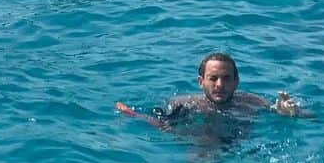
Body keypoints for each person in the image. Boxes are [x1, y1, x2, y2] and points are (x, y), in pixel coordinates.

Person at [115, 52, 305, 126]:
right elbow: (163, 125)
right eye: (213, 79)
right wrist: (134, 115)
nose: (219, 85)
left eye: (226, 79)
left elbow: (310, 117)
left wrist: (290, 113)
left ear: (236, 81)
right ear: (201, 82)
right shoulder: (184, 104)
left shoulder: (254, 102)